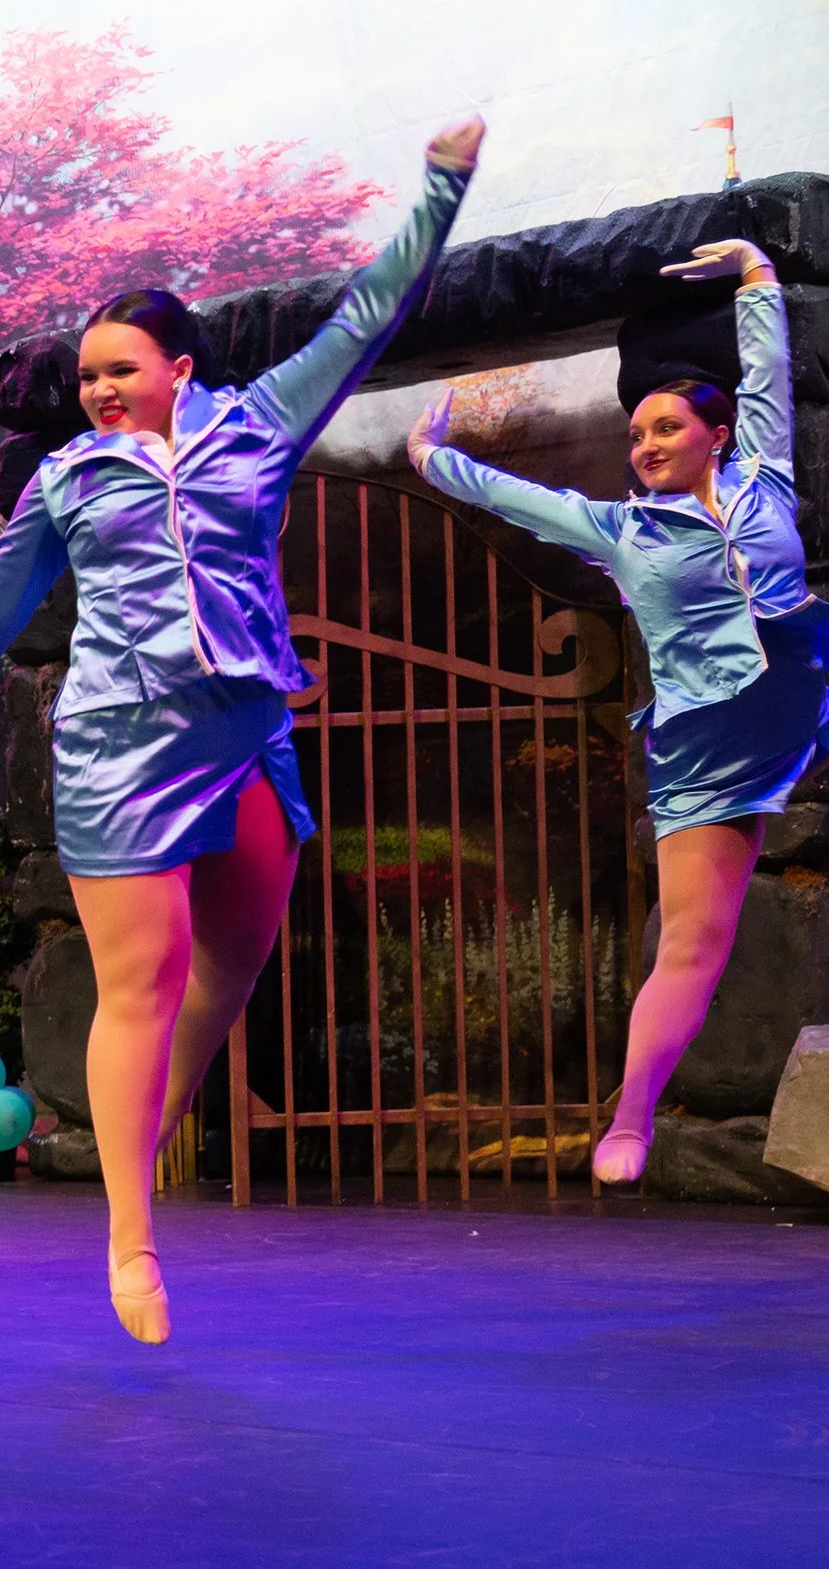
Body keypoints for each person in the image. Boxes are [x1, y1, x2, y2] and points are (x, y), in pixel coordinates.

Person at [0, 120, 486, 1343]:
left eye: (120, 368)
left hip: (248, 733)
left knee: (232, 965)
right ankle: (129, 1239)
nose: (97, 390)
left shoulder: (260, 426)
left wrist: (442, 187)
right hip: (118, 748)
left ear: (180, 367)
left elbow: (366, 316)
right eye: (87, 374)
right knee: (139, 985)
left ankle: (146, 1132)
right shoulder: (65, 481)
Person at [407, 237, 826, 1186]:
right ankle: (630, 1115)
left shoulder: (765, 479)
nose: (645, 447)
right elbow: (518, 498)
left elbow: (766, 376)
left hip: (807, 690)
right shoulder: (620, 529)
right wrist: (431, 460)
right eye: (637, 437)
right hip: (709, 748)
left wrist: (758, 277)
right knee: (695, 943)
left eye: (665, 429)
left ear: (714, 434)